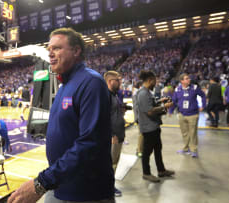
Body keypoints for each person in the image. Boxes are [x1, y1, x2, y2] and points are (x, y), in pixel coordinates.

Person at [8, 28, 114, 203]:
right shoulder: (65, 85)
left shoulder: (91, 82)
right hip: (60, 184)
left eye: (57, 48)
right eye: (49, 49)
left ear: (76, 50)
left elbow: (89, 143)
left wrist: (41, 183)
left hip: (85, 193)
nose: (50, 54)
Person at [137, 70, 175, 183]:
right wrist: (164, 106)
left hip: (153, 126)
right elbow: (149, 111)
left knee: (158, 149)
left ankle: (161, 170)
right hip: (148, 128)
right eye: (155, 81)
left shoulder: (147, 92)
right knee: (147, 152)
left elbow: (150, 104)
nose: (156, 83)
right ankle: (146, 173)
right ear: (149, 80)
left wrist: (159, 101)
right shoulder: (143, 93)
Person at [169, 73, 206, 158]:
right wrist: (170, 110)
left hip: (193, 114)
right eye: (186, 79)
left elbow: (203, 95)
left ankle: (194, 150)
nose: (189, 80)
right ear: (181, 81)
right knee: (184, 133)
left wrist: (203, 106)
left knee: (193, 133)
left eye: (188, 78)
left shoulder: (194, 88)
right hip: (182, 114)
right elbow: (174, 101)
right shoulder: (177, 90)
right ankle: (186, 149)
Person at [104, 71, 125, 197]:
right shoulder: (105, 96)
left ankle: (108, 185)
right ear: (111, 81)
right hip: (113, 136)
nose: (120, 83)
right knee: (110, 163)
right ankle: (107, 187)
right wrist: (111, 134)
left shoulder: (114, 95)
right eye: (118, 80)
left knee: (114, 162)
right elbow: (103, 117)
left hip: (118, 133)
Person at [133, 80, 143, 157]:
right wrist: (137, 118)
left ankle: (140, 149)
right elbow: (135, 107)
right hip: (141, 118)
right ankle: (139, 150)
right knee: (141, 134)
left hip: (145, 118)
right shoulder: (136, 94)